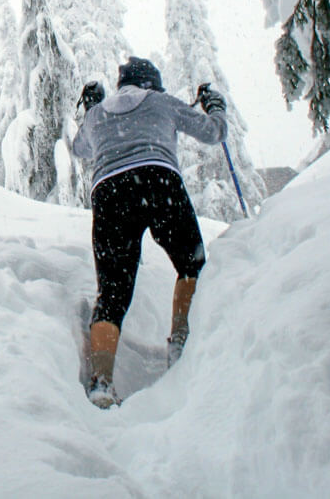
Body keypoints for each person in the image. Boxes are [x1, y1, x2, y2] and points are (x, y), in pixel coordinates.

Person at [71, 57, 227, 408]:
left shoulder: (97, 115)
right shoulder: (161, 102)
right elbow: (214, 133)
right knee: (191, 263)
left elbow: (80, 148)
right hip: (159, 181)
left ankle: (101, 382)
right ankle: (181, 344)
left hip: (110, 192)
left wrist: (92, 109)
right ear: (151, 84)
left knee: (111, 294)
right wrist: (216, 108)